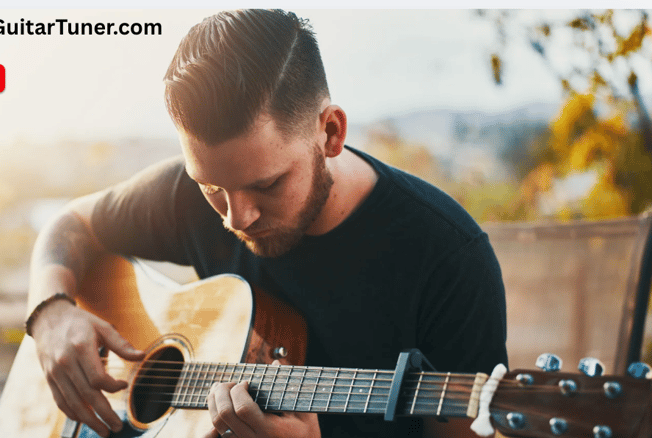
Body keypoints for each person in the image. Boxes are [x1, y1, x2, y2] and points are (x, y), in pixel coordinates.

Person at [25, 9, 508, 438]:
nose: (237, 217)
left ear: (331, 132)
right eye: (211, 188)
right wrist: (50, 313)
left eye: (268, 185)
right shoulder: (187, 193)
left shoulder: (449, 257)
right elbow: (70, 225)